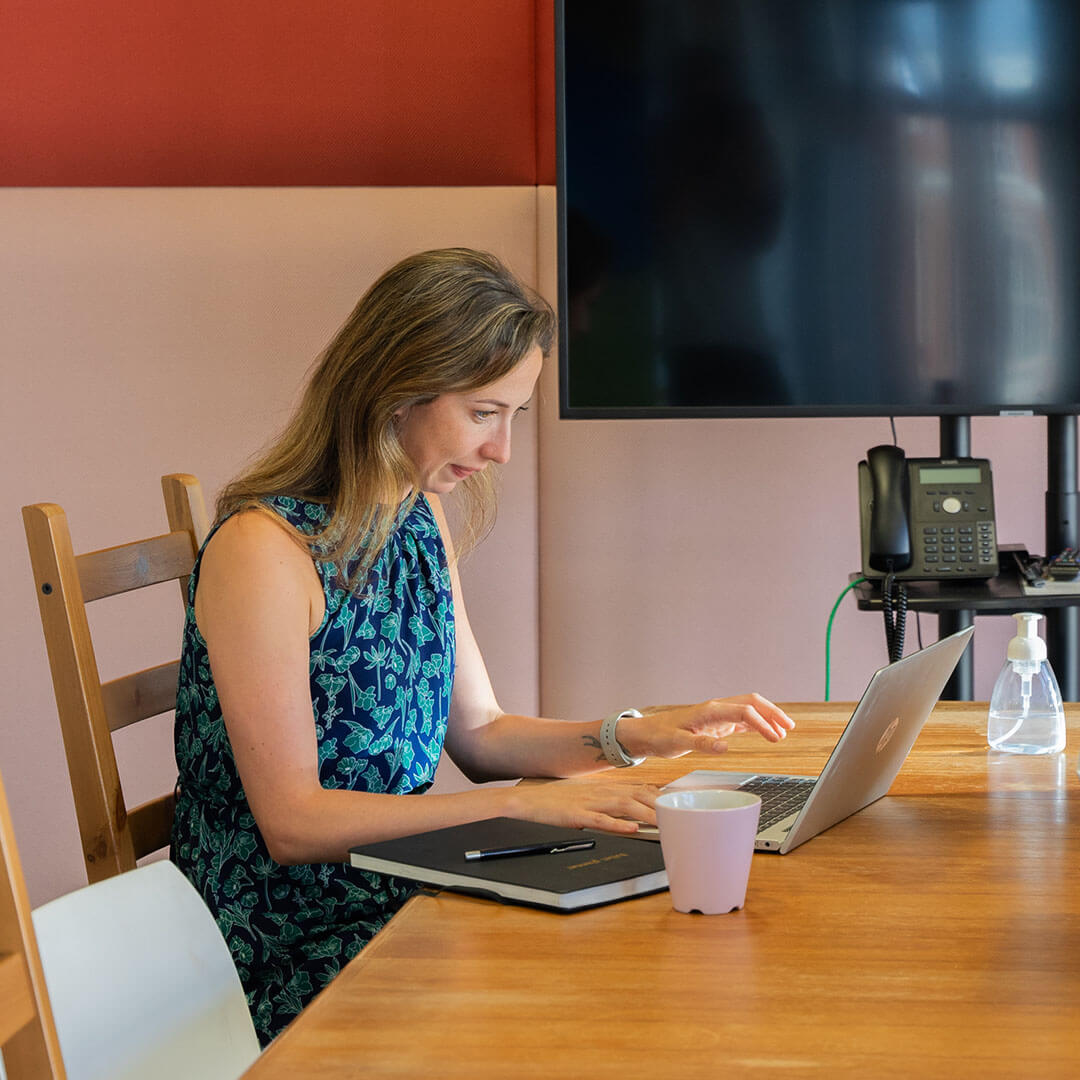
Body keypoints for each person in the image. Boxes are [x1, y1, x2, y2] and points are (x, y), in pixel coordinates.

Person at [170, 248, 794, 1044]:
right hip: (283, 944)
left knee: (656, 957)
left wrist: (634, 734)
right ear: (395, 392)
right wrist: (520, 804)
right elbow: (291, 823)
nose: (502, 450)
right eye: (483, 412)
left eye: (515, 416)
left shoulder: (415, 521)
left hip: (402, 891)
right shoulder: (264, 551)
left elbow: (483, 733)